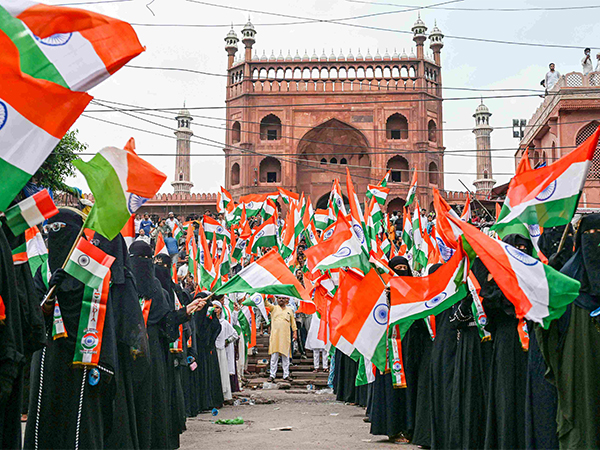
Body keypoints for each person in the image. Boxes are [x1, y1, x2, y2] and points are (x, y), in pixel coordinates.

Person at [539, 214, 600, 449]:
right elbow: (545, 326)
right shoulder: (565, 281)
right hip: (579, 365)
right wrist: (549, 287)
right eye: (590, 237)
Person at [266, 296, 297, 382]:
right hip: (275, 336)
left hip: (285, 336)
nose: (281, 300)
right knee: (274, 357)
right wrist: (264, 293)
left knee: (286, 357)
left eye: (283, 298)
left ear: (286, 300)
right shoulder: (273, 308)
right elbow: (265, 303)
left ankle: (286, 375)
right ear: (277, 299)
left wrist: (295, 332)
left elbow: (293, 323)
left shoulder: (289, 310)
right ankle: (272, 375)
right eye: (279, 298)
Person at [212, 300, 238, 401]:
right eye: (213, 307)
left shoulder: (224, 323)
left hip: (221, 350)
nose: (215, 310)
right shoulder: (208, 322)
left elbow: (235, 334)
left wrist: (227, 341)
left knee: (223, 372)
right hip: (212, 351)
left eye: (217, 307)